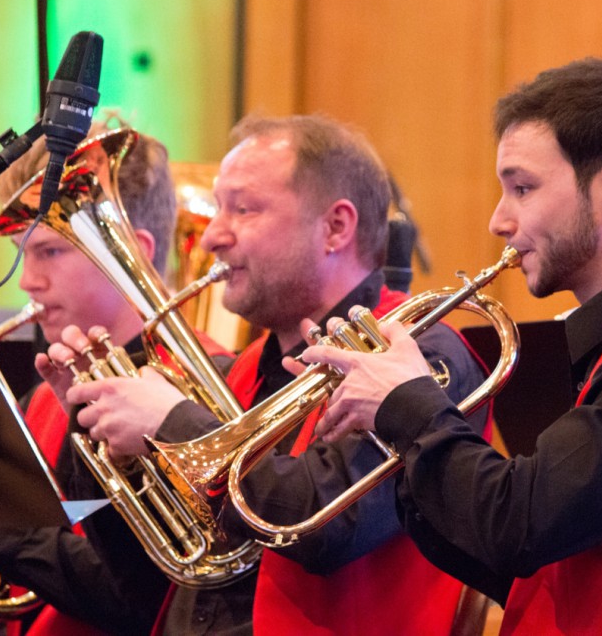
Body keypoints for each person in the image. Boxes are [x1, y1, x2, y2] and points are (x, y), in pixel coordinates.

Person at [302, 59, 602, 635]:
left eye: (523, 188)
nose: (498, 220)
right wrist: (384, 422)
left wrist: (409, 402)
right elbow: (519, 563)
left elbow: (516, 524)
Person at [41, 113, 490, 635]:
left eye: (243, 209)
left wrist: (172, 426)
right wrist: (94, 437)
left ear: (336, 227)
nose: (210, 237)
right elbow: (152, 591)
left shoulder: (417, 357)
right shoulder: (236, 373)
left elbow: (324, 523)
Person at [0, 123, 192, 635]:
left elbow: (143, 595)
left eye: (50, 251)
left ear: (133, 252)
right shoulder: (44, 397)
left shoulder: (185, 399)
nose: (28, 281)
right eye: (21, 252)